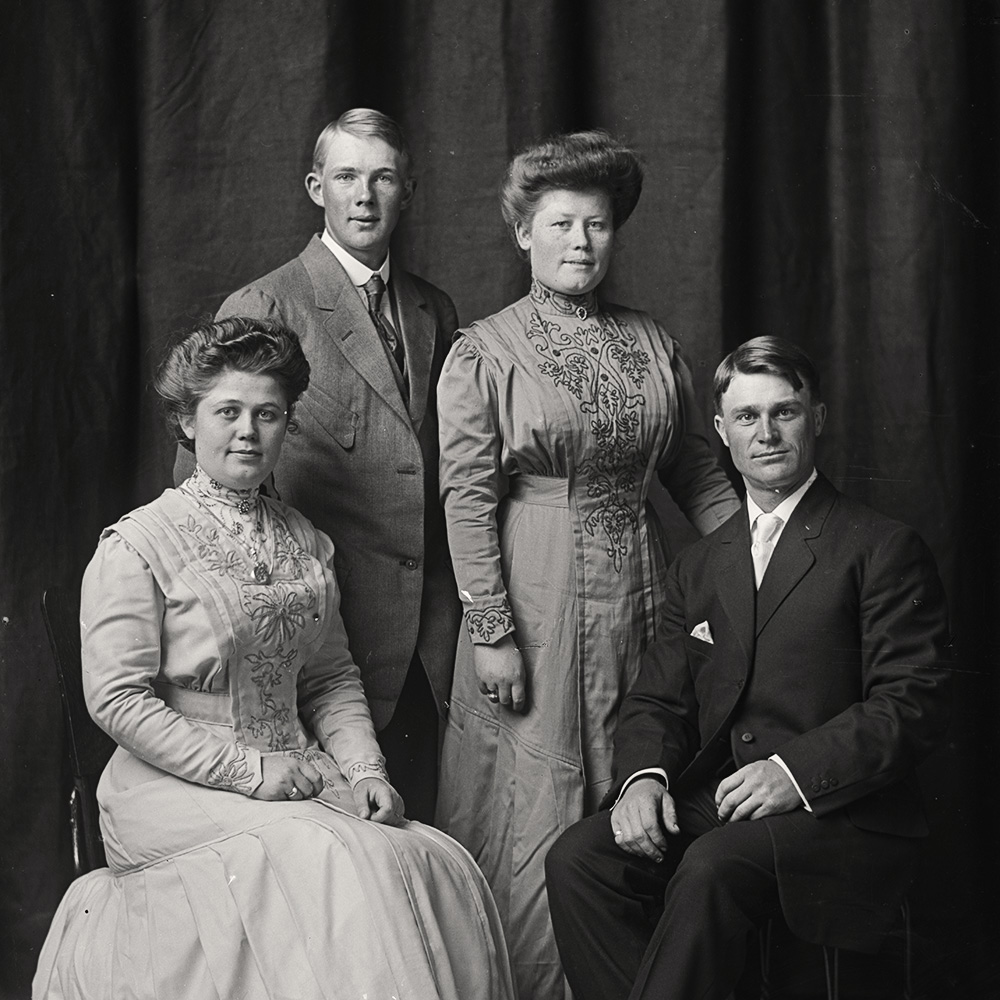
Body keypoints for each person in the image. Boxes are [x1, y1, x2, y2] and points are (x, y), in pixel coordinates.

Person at [35, 318, 514, 1000]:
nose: (248, 432)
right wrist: (249, 771)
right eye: (227, 412)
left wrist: (365, 769)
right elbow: (117, 699)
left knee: (426, 856)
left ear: (287, 424)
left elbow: (331, 680)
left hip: (295, 772)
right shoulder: (141, 542)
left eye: (268, 414)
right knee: (330, 859)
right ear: (188, 422)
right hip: (170, 787)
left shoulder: (305, 542)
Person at [544, 335, 953, 1000]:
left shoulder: (881, 548)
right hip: (727, 806)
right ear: (721, 431)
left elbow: (911, 704)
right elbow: (658, 701)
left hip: (841, 812)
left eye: (784, 412)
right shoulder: (700, 564)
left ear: (816, 418)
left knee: (711, 866)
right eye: (746, 417)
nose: (766, 433)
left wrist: (793, 773)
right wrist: (642, 781)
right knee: (579, 860)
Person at [434, 130, 741, 999]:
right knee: (535, 801)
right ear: (522, 234)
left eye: (597, 225)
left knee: (642, 773)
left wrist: (754, 566)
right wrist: (492, 630)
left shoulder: (652, 342)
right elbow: (466, 498)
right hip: (534, 599)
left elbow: (695, 473)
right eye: (561, 224)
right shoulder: (486, 350)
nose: (580, 242)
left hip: (642, 593)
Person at [175, 108, 459, 822]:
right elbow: (198, 484)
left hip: (425, 641)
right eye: (346, 177)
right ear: (315, 188)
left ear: (408, 191)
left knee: (412, 829)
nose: (364, 196)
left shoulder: (433, 310)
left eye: (383, 178)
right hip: (315, 638)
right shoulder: (269, 302)